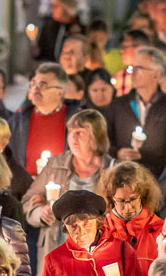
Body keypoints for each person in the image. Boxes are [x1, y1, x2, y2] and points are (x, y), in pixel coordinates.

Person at [21, 107, 112, 261]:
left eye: (80, 132)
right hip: (56, 250)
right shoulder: (56, 164)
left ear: (97, 137)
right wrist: (41, 212)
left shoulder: (111, 169)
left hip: (96, 254)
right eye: (71, 131)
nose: (73, 138)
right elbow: (27, 202)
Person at [104, 44, 166, 174]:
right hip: (124, 177)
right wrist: (118, 153)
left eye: (140, 68)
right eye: (133, 67)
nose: (133, 73)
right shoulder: (118, 105)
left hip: (160, 179)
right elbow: (105, 141)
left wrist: (148, 156)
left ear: (156, 74)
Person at [93, 161, 163, 276]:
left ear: (143, 195)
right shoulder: (99, 232)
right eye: (121, 201)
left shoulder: (162, 231)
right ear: (110, 198)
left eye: (132, 199)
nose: (128, 207)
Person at [7, 62, 71, 185]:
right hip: (25, 191)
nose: (36, 88)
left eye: (43, 85)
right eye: (33, 84)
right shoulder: (18, 120)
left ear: (60, 92)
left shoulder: (74, 120)